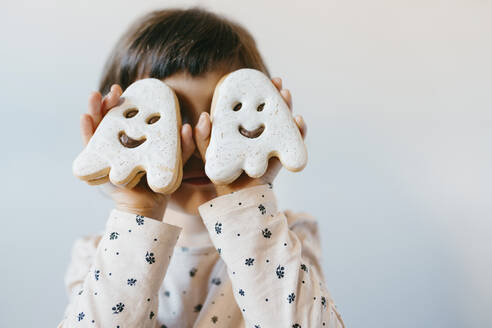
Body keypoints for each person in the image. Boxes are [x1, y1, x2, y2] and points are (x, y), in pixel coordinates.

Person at [59, 7, 344, 328]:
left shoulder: (289, 241)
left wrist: (246, 200)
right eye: (166, 119)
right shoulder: (101, 257)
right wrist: (137, 210)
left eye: (221, 115)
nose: (197, 145)